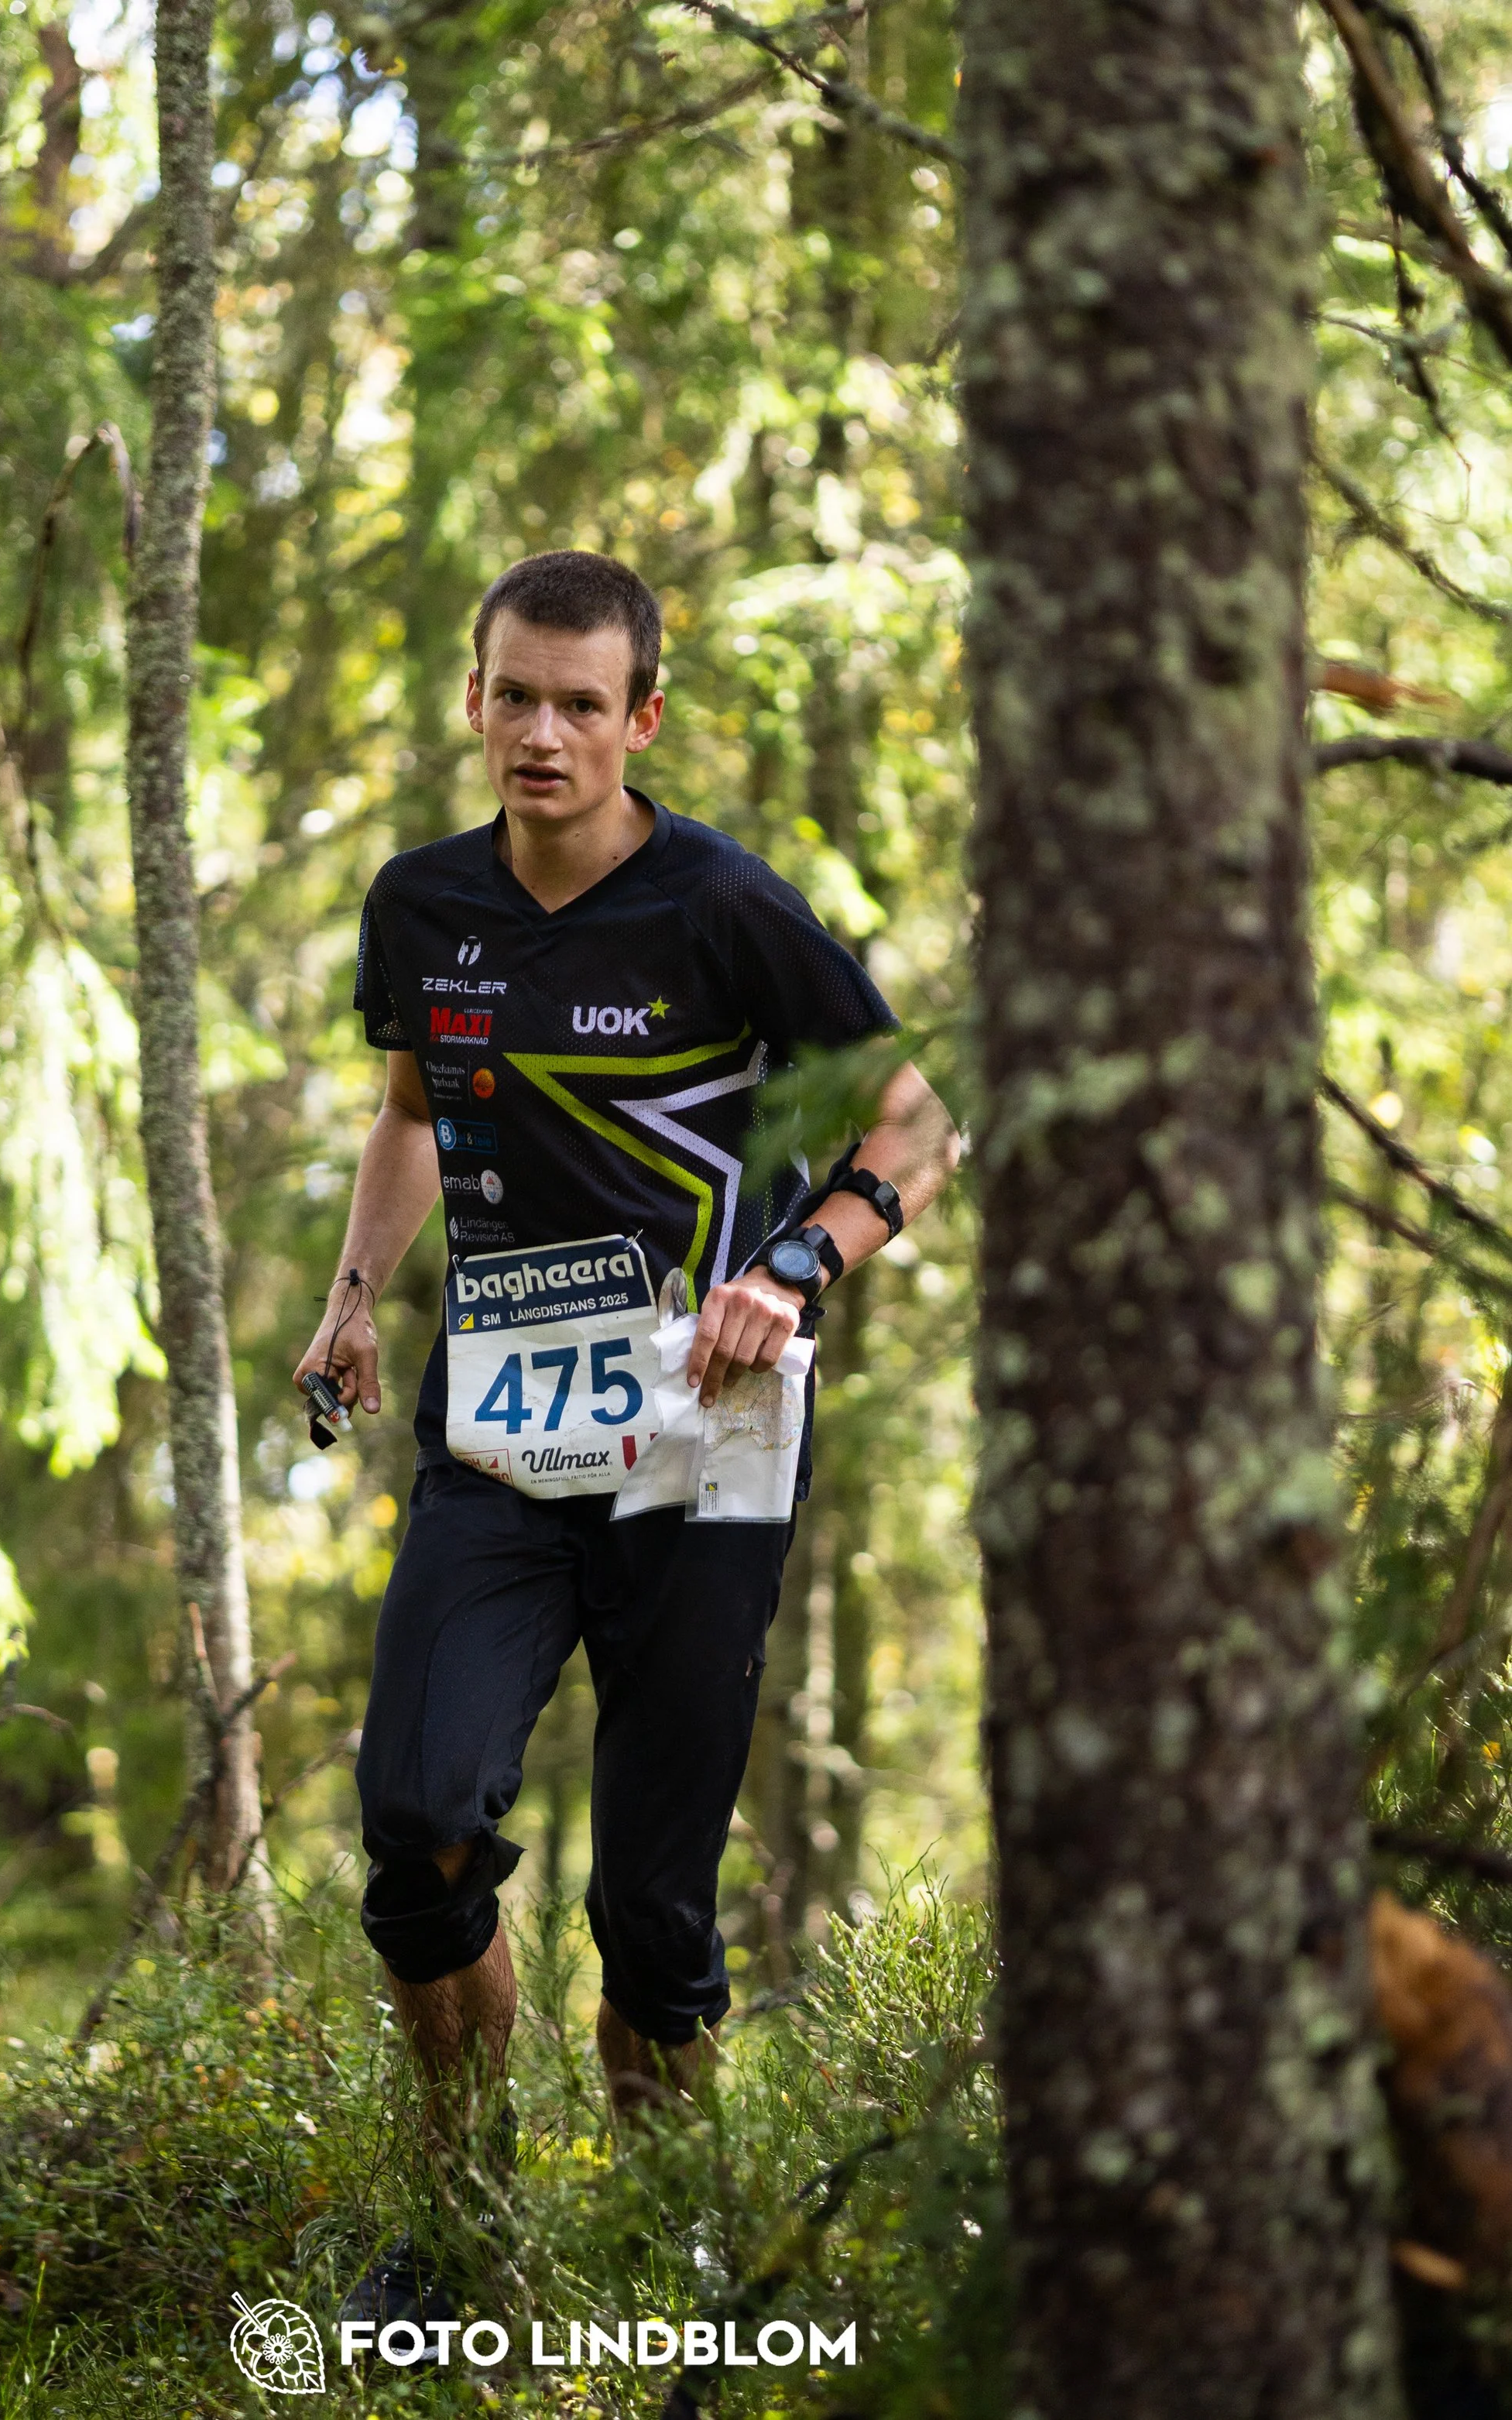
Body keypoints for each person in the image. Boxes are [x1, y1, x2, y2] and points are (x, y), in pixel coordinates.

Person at [293, 550, 960, 2315]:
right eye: (514, 693)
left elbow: (912, 1122)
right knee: (417, 1817)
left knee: (653, 1920)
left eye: (581, 702)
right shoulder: (418, 908)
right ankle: (458, 2230)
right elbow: (409, 1112)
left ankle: (673, 2253)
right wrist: (356, 1290)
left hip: (707, 1446)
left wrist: (800, 1268)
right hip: (497, 1439)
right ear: (473, 701)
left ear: (638, 720)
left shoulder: (722, 909)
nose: (542, 731)